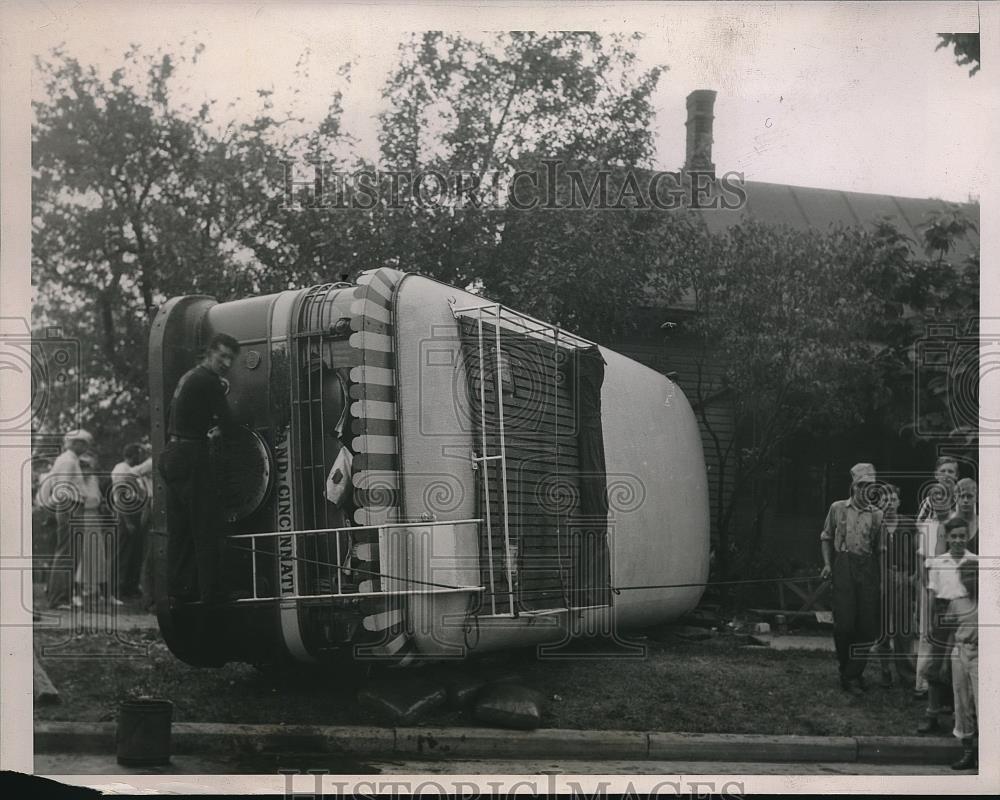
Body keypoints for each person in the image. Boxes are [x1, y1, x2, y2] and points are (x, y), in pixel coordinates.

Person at [159, 332, 239, 606]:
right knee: (207, 527)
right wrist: (220, 432)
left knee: (180, 529)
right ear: (210, 353)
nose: (226, 363)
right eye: (222, 356)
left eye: (230, 358)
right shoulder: (209, 381)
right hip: (192, 455)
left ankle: (180, 592)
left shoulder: (188, 377)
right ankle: (213, 596)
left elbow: (173, 416)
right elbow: (228, 424)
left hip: (172, 453)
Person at [820, 463, 886, 695]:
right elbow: (826, 538)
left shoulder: (877, 515)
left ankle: (852, 675)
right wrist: (828, 565)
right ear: (853, 486)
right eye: (861, 485)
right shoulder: (837, 508)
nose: (865, 490)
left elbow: (880, 550)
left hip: (868, 569)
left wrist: (881, 579)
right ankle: (846, 669)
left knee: (866, 627)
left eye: (870, 486)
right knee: (844, 626)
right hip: (843, 568)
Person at [918, 517, 975, 735]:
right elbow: (932, 594)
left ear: (968, 535)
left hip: (966, 614)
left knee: (961, 666)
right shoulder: (938, 562)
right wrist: (931, 619)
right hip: (943, 614)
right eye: (954, 536)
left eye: (962, 536)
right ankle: (931, 715)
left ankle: (959, 717)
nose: (959, 540)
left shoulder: (974, 560)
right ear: (948, 538)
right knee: (937, 664)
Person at [870, 483, 918, 690]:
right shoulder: (875, 525)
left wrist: (914, 576)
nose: (889, 504)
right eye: (885, 500)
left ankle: (907, 673)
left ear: (899, 502)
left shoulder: (909, 523)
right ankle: (885, 671)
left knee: (903, 629)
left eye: (893, 500)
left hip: (903, 578)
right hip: (882, 577)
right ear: (879, 503)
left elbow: (918, 551)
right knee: (882, 629)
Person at [40, 429, 93, 609]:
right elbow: (60, 489)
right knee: (66, 553)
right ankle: (58, 598)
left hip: (73, 505)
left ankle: (64, 596)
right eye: (84, 443)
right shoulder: (68, 461)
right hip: (70, 506)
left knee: (71, 553)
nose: (86, 447)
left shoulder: (70, 460)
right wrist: (53, 504)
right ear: (76, 443)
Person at [74, 452, 122, 607]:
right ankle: (76, 593)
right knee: (84, 556)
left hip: (95, 519)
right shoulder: (77, 480)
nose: (87, 469)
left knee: (99, 556)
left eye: (89, 465)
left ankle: (105, 594)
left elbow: (98, 498)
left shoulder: (94, 479)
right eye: (84, 466)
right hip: (83, 518)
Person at [948, 546, 978, 770]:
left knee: (983, 702)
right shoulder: (956, 600)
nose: (970, 579)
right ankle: (968, 751)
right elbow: (949, 630)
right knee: (962, 703)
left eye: (974, 575)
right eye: (965, 575)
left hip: (982, 653)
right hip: (959, 651)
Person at [111, 442, 149, 599]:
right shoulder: (121, 469)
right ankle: (117, 589)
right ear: (133, 455)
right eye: (138, 454)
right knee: (123, 553)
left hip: (135, 511)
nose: (140, 458)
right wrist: (126, 520)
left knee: (134, 554)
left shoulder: (130, 471)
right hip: (125, 512)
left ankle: (129, 588)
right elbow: (120, 496)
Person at [950, 478, 978, 553]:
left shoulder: (984, 524)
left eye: (969, 496)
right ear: (955, 498)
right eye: (961, 496)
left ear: (976, 498)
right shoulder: (946, 523)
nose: (965, 500)